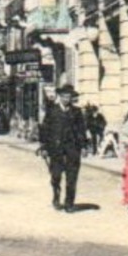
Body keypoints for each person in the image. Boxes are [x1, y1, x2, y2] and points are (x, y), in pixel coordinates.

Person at [38, 84, 88, 212]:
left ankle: (69, 203)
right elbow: (45, 130)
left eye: (69, 97)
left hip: (73, 148)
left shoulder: (76, 112)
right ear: (60, 97)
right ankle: (56, 195)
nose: (66, 99)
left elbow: (81, 130)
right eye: (64, 96)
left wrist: (83, 146)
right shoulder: (52, 111)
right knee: (56, 176)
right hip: (56, 149)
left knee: (72, 177)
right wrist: (43, 146)